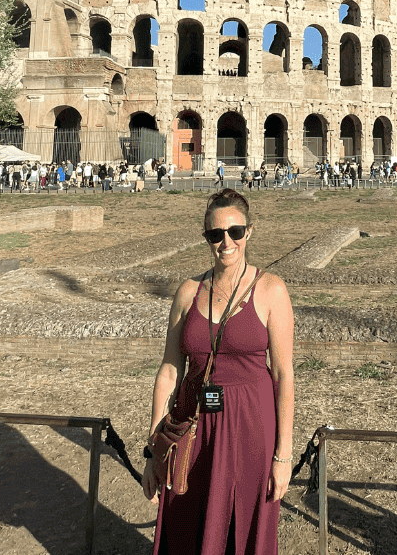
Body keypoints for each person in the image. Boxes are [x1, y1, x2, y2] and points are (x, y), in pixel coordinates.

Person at [144, 189, 295, 555]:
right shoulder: (189, 291)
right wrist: (154, 450)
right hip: (194, 424)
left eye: (235, 232)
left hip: (250, 427)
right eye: (215, 234)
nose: (226, 242)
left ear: (249, 232)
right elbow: (168, 370)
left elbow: (283, 374)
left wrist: (284, 457)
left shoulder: (271, 290)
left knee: (244, 525)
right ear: (206, 237)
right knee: (187, 520)